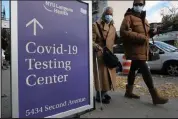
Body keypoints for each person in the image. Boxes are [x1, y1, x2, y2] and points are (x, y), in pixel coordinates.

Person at [120, 0, 168, 105]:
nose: (138, 6)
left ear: (143, 5)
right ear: (133, 5)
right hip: (135, 50)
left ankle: (129, 92)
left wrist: (152, 33)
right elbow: (123, 32)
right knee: (146, 71)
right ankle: (155, 96)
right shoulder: (128, 17)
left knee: (132, 70)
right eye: (136, 4)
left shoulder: (144, 19)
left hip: (143, 49)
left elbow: (147, 37)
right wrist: (141, 37)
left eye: (140, 4)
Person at [93, 7, 118, 104]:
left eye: (111, 14)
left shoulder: (113, 27)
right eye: (107, 13)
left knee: (109, 76)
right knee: (101, 76)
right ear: (103, 14)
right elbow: (91, 40)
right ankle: (99, 95)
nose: (109, 16)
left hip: (109, 54)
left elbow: (115, 40)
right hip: (100, 54)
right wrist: (95, 46)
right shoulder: (95, 25)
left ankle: (104, 92)